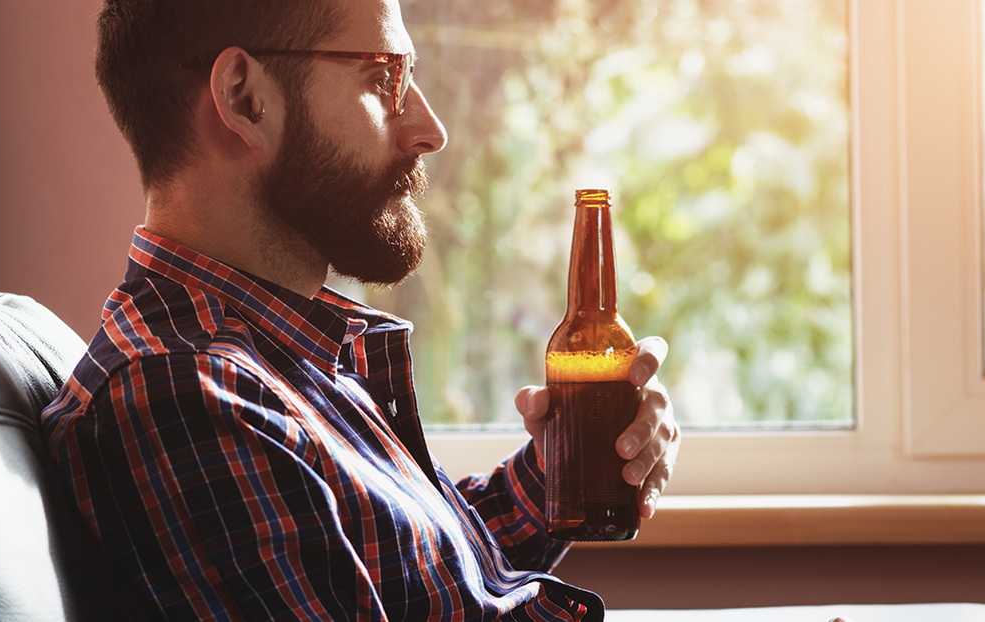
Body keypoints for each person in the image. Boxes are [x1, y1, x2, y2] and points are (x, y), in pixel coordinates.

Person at [39, 0, 679, 620]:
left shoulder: (281, 359)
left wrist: (558, 473)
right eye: (384, 78)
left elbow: (417, 583)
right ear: (245, 98)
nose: (430, 130)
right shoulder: (186, 398)